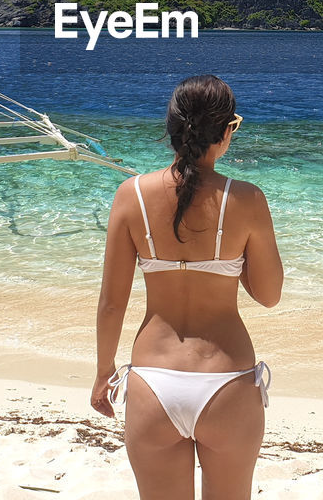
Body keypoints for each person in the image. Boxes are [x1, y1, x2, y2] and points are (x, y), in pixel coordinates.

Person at [92, 75, 283, 500]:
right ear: (227, 130)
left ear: (174, 128)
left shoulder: (131, 196)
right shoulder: (247, 199)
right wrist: (233, 260)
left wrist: (104, 373)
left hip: (152, 383)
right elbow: (269, 296)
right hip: (227, 381)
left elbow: (111, 305)